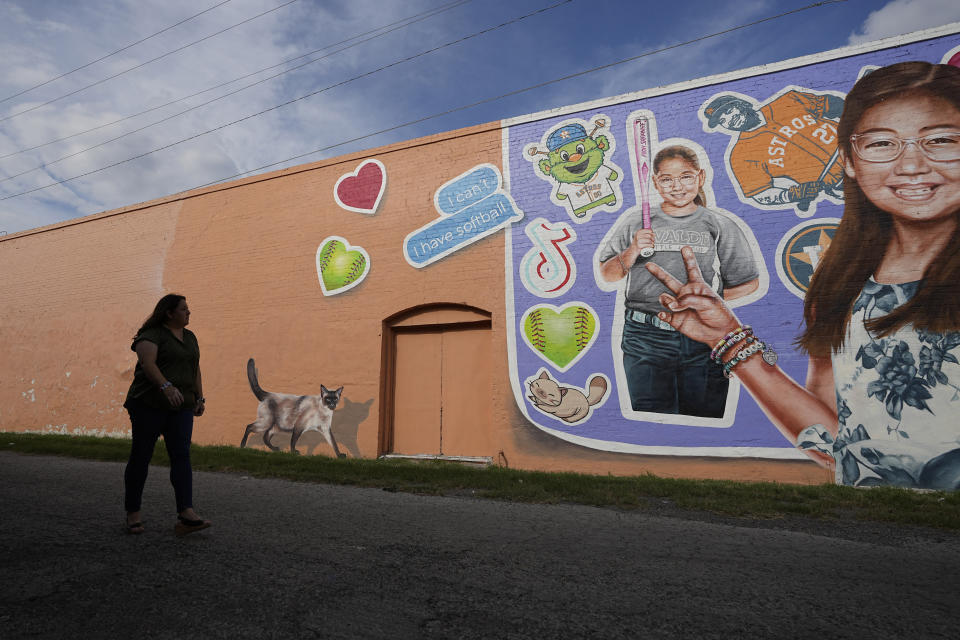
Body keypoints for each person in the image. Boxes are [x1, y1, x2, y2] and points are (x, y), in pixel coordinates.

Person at [646, 62, 960, 489]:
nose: (911, 166)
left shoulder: (791, 102)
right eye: (881, 143)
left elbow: (828, 103)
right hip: (881, 540)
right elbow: (841, 449)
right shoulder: (838, 288)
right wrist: (726, 338)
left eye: (940, 140)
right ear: (851, 160)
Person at [598, 144, 759, 417]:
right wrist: (633, 249)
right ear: (655, 183)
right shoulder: (637, 221)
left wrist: (703, 304)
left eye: (686, 176)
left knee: (704, 416)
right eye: (667, 179)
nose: (677, 186)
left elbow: (747, 283)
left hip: (704, 337)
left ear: (701, 177)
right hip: (644, 337)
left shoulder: (718, 224)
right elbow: (608, 273)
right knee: (651, 418)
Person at [123, 294, 211, 535]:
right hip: (148, 405)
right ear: (169, 313)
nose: (189, 312)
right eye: (184, 309)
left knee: (181, 456)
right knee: (141, 456)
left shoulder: (190, 337)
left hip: (180, 407)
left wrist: (199, 397)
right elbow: (148, 363)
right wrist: (166, 387)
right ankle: (133, 514)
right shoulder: (151, 335)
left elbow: (195, 368)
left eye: (188, 308)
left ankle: (186, 514)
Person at [702, 90, 845, 212]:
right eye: (722, 120)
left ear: (741, 104)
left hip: (857, 148)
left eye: (728, 111)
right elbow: (760, 193)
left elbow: (834, 105)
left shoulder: (788, 100)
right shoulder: (740, 156)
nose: (729, 120)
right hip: (841, 186)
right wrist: (793, 195)